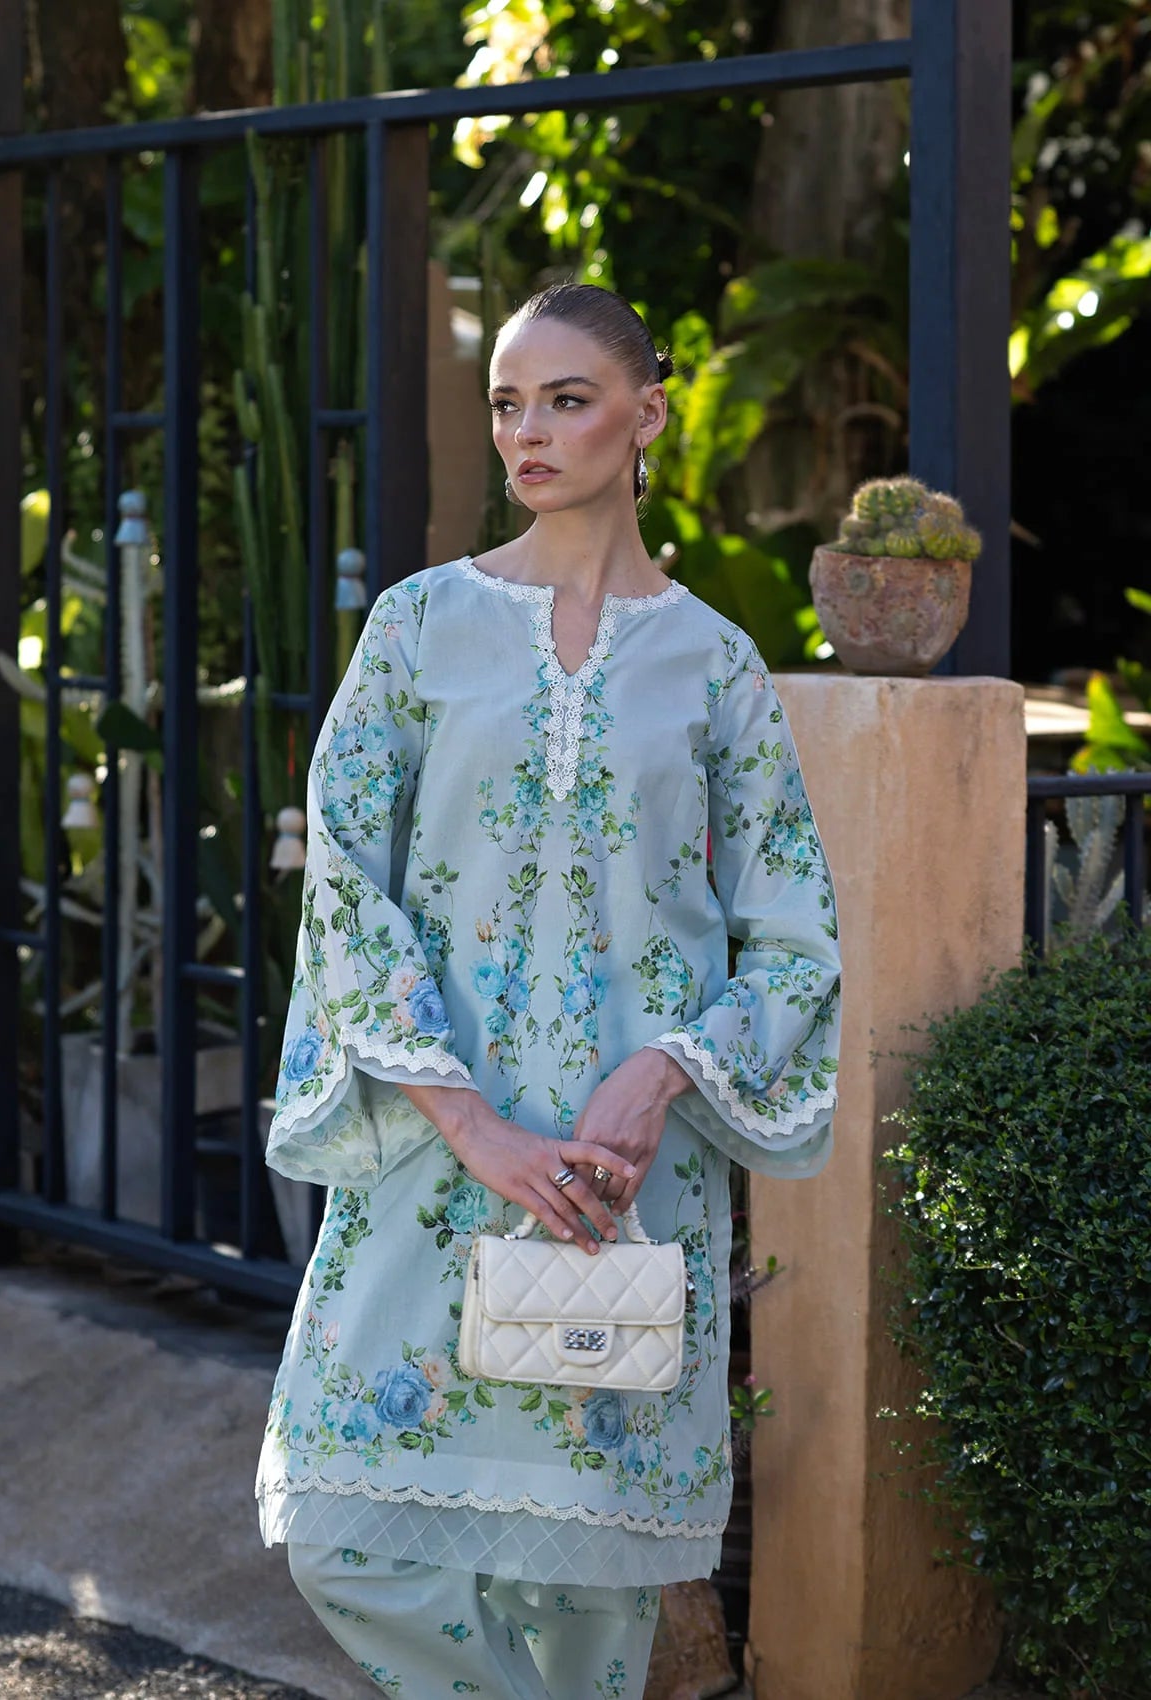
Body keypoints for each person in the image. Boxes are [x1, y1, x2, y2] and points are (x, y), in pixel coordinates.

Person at [256, 283, 841, 1699]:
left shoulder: (717, 665)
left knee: (586, 1593)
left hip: (618, 1181)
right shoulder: (417, 627)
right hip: (437, 1151)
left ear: (647, 416)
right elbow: (346, 884)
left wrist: (663, 1075)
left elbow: (795, 942)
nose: (527, 430)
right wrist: (471, 1125)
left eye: (566, 400)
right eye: (508, 403)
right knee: (345, 1539)